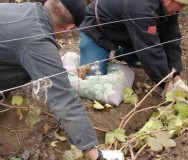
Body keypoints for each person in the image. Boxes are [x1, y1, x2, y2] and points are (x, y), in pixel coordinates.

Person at [0, 0, 121, 159]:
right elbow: (64, 98)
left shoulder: (19, 9)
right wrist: (95, 154)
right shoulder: (37, 41)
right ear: (70, 28)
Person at [80, 0, 188, 94]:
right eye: (181, 5)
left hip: (127, 32)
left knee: (150, 51)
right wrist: (166, 84)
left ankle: (123, 53)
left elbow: (171, 38)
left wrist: (176, 78)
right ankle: (121, 51)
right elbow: (149, 49)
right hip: (97, 29)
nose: (181, 9)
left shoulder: (170, 8)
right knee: (92, 80)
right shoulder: (143, 7)